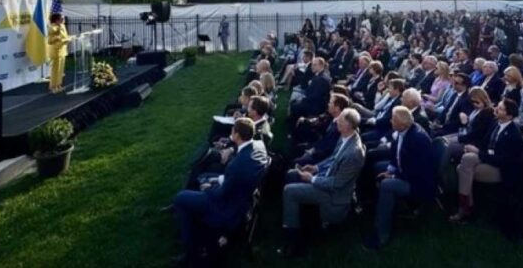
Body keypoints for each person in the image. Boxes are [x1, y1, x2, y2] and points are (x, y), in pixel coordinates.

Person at [172, 118, 268, 266]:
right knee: (203, 176)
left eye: (233, 130)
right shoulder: (259, 145)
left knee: (181, 198)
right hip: (242, 197)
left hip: (228, 209)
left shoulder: (237, 165)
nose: (231, 132)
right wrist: (217, 179)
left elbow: (220, 194)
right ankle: (197, 232)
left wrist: (208, 188)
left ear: (237, 135)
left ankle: (192, 253)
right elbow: (233, 179)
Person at [278, 108, 366, 258]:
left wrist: (312, 179)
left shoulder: (354, 153)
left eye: (341, 120)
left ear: (348, 125)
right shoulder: (346, 136)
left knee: (289, 191)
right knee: (292, 174)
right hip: (326, 178)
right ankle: (294, 215)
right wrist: (316, 168)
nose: (337, 121)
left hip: (334, 196)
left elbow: (337, 184)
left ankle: (293, 241)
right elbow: (333, 158)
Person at [364, 106, 435, 249]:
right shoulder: (404, 131)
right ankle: (374, 205)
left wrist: (393, 175)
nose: (390, 121)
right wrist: (390, 170)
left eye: (393, 120)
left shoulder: (417, 139)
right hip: (407, 172)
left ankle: (382, 234)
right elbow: (396, 155)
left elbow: (416, 171)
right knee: (378, 166)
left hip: (418, 183)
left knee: (387, 185)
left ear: (402, 124)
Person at [449, 99, 523, 223]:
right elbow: (484, 144)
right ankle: (467, 207)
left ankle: (464, 208)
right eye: (497, 106)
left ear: (509, 116)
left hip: (502, 170)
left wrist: (478, 152)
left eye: (500, 109)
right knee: (467, 159)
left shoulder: (514, 135)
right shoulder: (495, 123)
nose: (496, 109)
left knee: (461, 168)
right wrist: (472, 148)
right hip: (488, 159)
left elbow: (503, 161)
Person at [48, 13, 72, 93]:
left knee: (60, 70)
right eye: (61, 19)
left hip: (63, 51)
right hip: (56, 51)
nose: (63, 20)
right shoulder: (52, 27)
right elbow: (50, 41)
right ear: (56, 20)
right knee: (55, 70)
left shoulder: (63, 26)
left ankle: (58, 85)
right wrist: (63, 40)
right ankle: (53, 86)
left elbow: (65, 36)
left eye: (63, 18)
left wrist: (69, 39)